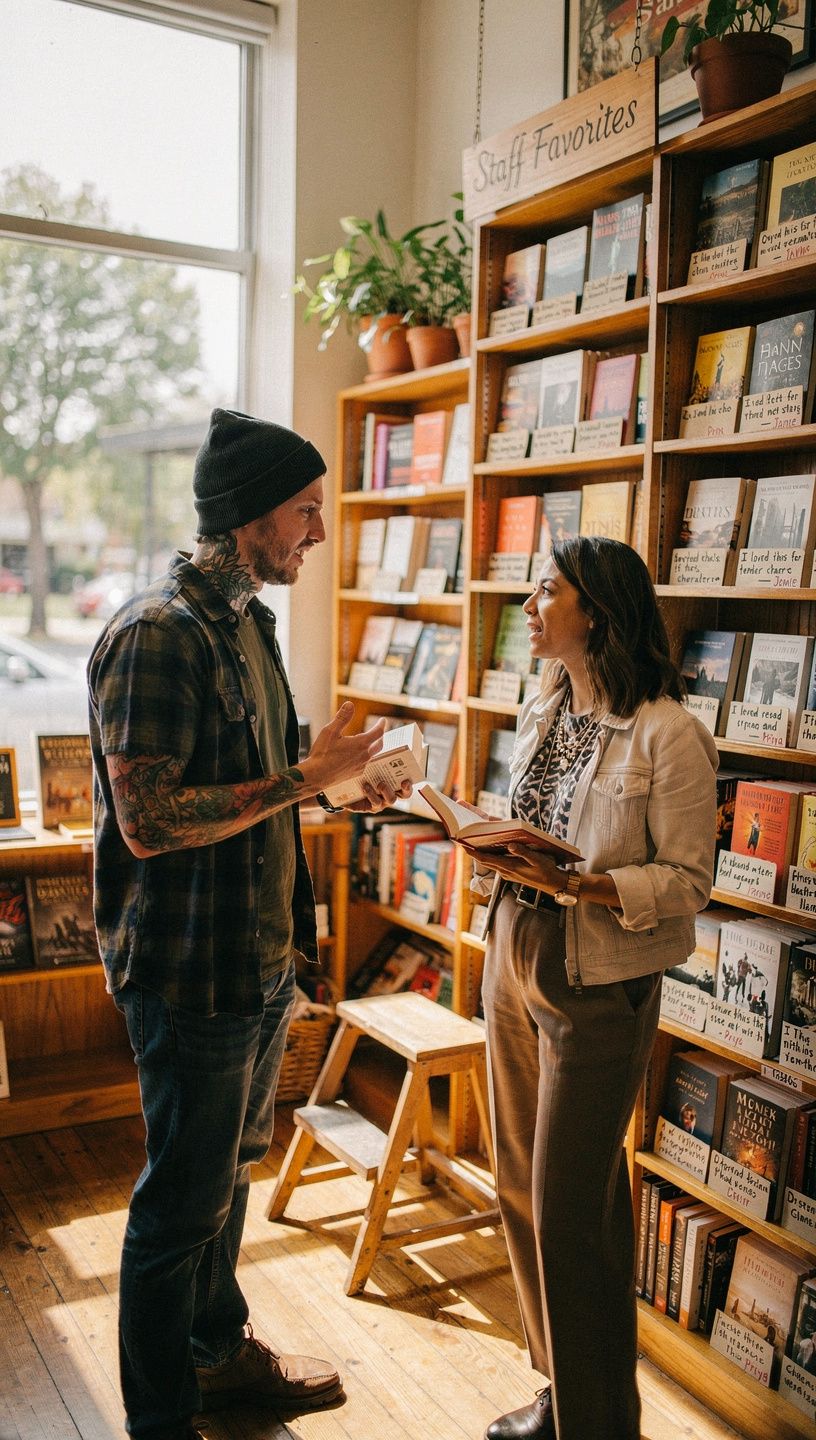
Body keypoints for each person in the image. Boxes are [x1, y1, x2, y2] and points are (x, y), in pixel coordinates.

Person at [88, 409, 412, 1440]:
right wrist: (300, 779)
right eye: (306, 511)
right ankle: (162, 1417)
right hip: (190, 974)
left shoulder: (248, 622)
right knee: (180, 1208)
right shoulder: (155, 634)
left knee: (227, 1181)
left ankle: (216, 1355)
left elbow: (263, 789)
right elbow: (146, 822)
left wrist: (336, 788)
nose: (318, 532)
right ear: (247, 517)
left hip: (261, 960)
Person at [462, 537, 717, 1440]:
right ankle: (561, 1392)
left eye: (545, 590)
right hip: (513, 947)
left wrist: (593, 887)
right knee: (520, 1184)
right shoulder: (545, 705)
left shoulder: (669, 733)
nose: (528, 605)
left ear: (597, 609)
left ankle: (600, 1423)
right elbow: (534, 819)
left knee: (575, 1208)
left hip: (597, 974)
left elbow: (690, 881)